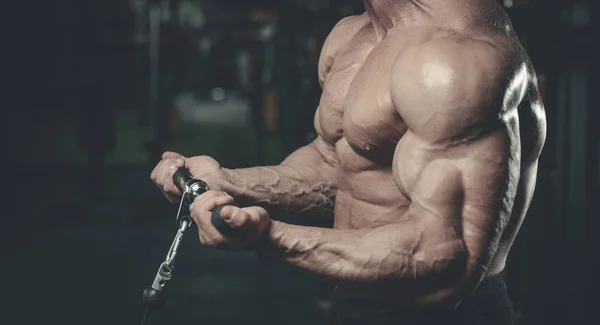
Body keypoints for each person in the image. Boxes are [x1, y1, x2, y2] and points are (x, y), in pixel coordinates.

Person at [151, 0, 547, 324]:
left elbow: (444, 259)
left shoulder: (455, 58)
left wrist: (270, 238)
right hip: (354, 302)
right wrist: (228, 181)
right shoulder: (355, 36)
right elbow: (334, 168)